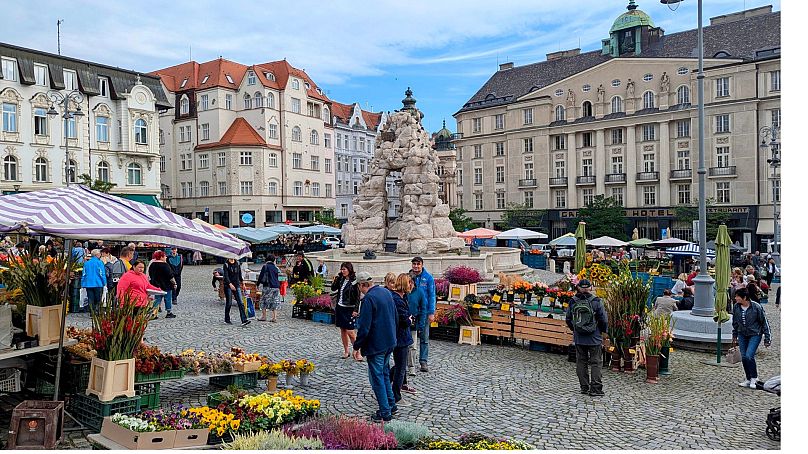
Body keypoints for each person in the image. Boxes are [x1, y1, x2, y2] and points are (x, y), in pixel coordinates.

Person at [352, 271, 398, 422]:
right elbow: (395, 316)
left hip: (376, 344)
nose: (358, 289)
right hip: (389, 341)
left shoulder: (368, 299)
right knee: (384, 373)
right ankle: (391, 404)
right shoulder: (385, 292)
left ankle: (385, 412)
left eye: (358, 286)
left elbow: (364, 328)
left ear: (362, 285)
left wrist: (356, 346)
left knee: (377, 378)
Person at [566, 279, 608, 397]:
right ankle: (595, 388)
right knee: (596, 362)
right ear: (590, 287)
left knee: (581, 362)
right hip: (594, 337)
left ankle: (584, 387)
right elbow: (603, 319)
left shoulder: (573, 301)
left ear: (578, 287)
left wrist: (575, 330)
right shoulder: (596, 301)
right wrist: (603, 331)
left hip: (579, 337)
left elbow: (568, 319)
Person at [731, 288, 772, 388]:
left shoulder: (756, 307)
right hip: (742, 334)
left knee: (749, 355)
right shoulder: (736, 307)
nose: (735, 298)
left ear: (744, 297)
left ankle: (754, 378)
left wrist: (767, 338)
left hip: (755, 334)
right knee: (744, 357)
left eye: (737, 296)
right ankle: (749, 378)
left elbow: (764, 322)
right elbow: (735, 322)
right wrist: (734, 335)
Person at [390, 273, 414, 404]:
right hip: (400, 338)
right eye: (410, 283)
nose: (412, 285)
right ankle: (396, 396)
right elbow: (404, 320)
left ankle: (386, 385)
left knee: (400, 365)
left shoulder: (401, 297)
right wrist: (409, 320)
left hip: (401, 336)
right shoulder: (398, 300)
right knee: (400, 368)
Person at [331, 262, 362, 360]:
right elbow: (333, 288)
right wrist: (336, 279)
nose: (342, 271)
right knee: (343, 330)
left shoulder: (354, 281)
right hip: (340, 307)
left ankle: (358, 351)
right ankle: (346, 350)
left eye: (344, 269)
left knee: (350, 331)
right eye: (341, 269)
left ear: (349, 270)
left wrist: (356, 309)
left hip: (350, 308)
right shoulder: (341, 279)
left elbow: (358, 297)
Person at [410, 257, 435, 373]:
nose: (416, 266)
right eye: (414, 264)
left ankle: (423, 361)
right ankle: (409, 361)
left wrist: (431, 312)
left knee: (424, 337)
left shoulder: (428, 278)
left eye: (418, 264)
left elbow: (432, 295)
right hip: (412, 311)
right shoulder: (409, 277)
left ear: (422, 265)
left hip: (424, 312)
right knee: (410, 338)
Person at [402, 274, 426, 394]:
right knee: (403, 346)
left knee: (412, 346)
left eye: (411, 282)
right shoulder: (404, 293)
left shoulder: (419, 292)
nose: (410, 284)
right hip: (404, 322)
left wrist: (421, 324)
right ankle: (403, 366)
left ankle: (411, 367)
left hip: (414, 323)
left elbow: (423, 308)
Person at [148, 251, 177, 318]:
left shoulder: (152, 265)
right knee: (167, 299)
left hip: (156, 285)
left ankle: (154, 313)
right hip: (166, 285)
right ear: (161, 257)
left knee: (157, 299)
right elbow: (170, 276)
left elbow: (150, 274)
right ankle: (169, 312)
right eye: (164, 256)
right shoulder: (165, 265)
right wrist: (174, 283)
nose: (166, 257)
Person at [223, 257, 250, 326]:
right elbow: (226, 276)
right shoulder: (226, 265)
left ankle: (244, 320)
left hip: (236, 284)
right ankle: (227, 319)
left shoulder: (237, 263)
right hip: (228, 285)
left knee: (240, 302)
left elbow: (239, 274)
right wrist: (230, 284)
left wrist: (243, 283)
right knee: (229, 303)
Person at [257, 255, 281, 322]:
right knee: (275, 301)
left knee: (264, 301)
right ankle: (274, 317)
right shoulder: (276, 267)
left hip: (268, 286)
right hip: (276, 287)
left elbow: (261, 276)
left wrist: (257, 284)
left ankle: (264, 316)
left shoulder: (265, 266)